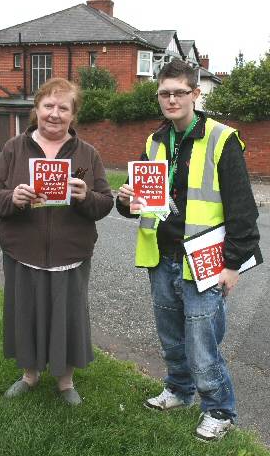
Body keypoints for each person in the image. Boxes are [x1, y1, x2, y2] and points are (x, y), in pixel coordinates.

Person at [116, 59, 260, 441]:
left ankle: (219, 409)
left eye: (180, 92)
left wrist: (232, 265)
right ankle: (178, 390)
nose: (172, 99)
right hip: (162, 257)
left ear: (196, 94)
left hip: (205, 262)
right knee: (171, 337)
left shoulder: (221, 138)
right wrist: (124, 199)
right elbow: (138, 202)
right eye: (165, 93)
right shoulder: (155, 141)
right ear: (158, 96)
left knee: (202, 342)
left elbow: (244, 210)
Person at [0, 77, 113, 405]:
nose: (54, 114)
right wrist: (12, 196)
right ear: (36, 109)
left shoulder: (88, 154)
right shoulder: (14, 148)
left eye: (63, 108)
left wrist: (85, 197)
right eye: (48, 106)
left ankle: (65, 382)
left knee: (67, 316)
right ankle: (29, 375)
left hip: (71, 253)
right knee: (26, 314)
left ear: (73, 114)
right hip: (22, 251)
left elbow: (105, 203)